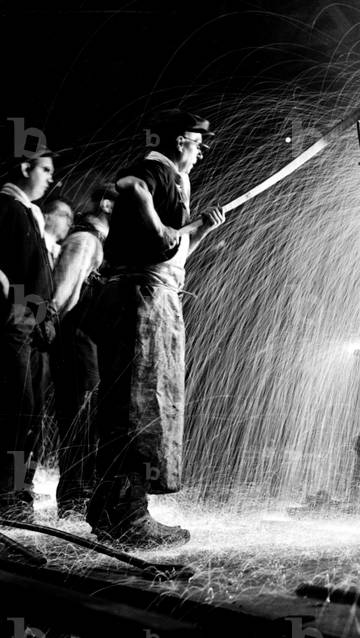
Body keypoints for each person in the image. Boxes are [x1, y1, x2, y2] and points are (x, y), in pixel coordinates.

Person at [86, 110, 224, 548]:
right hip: (143, 302)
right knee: (141, 403)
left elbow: (173, 251)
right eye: (198, 144)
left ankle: (110, 508)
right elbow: (127, 188)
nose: (201, 152)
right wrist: (162, 229)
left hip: (145, 296)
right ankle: (128, 516)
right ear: (181, 141)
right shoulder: (156, 171)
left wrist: (198, 229)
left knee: (132, 400)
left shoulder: (170, 180)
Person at [50, 184, 115, 518]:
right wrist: (47, 330)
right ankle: (74, 499)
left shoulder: (96, 242)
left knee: (84, 419)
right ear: (106, 204)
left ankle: (79, 495)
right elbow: (61, 295)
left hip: (85, 345)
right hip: (75, 344)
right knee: (78, 418)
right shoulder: (85, 240)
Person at [0, 148, 57, 522]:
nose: (51, 177)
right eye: (46, 169)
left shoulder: (25, 211)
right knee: (16, 408)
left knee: (29, 410)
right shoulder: (5, 207)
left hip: (29, 326)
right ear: (25, 167)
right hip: (15, 324)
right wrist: (10, 303)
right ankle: (7, 495)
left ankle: (18, 493)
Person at [41, 198, 74, 268]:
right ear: (46, 217)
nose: (69, 223)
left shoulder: (57, 255)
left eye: (70, 219)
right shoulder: (30, 242)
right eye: (65, 216)